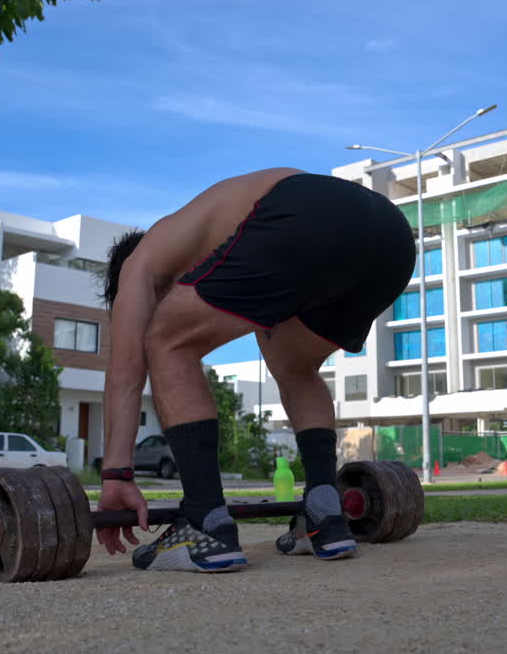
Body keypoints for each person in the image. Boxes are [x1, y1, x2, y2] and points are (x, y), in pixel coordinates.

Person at [95, 167, 416, 573]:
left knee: (166, 340)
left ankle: (203, 522)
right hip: (391, 238)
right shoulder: (228, 234)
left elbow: (125, 371)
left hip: (305, 213)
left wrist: (116, 475)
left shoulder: (141, 261)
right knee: (295, 367)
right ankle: (324, 514)